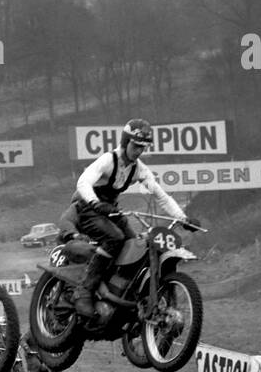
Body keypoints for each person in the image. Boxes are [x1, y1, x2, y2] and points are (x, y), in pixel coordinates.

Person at [70, 119, 190, 323]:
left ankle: (116, 290)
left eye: (143, 148)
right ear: (126, 142)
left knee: (135, 246)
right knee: (115, 238)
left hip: (110, 212)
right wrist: (95, 202)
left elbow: (162, 196)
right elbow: (83, 181)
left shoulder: (139, 169)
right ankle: (84, 292)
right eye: (135, 146)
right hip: (88, 209)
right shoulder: (108, 160)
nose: (138, 151)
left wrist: (183, 218)